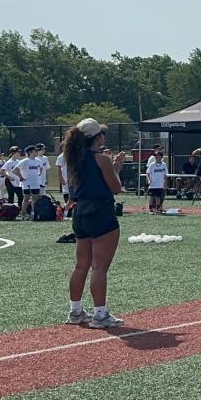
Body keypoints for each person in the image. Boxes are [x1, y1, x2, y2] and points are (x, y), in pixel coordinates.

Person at [63, 118, 126, 328]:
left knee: (81, 266)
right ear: (97, 137)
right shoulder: (102, 159)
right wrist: (117, 168)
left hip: (80, 212)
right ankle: (100, 315)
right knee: (99, 267)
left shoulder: (73, 159)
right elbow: (115, 188)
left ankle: (76, 311)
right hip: (100, 211)